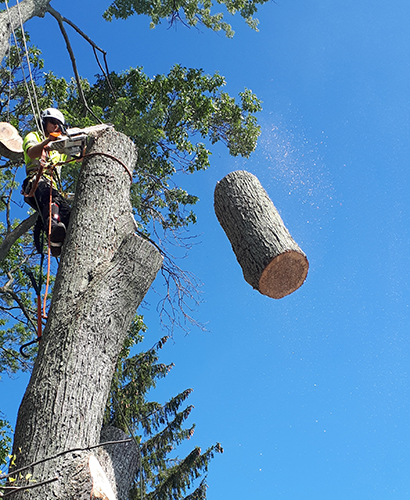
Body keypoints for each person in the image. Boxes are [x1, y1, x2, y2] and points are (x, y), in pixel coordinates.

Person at [22, 108, 71, 257]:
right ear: (44, 122)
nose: (56, 126)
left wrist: (80, 145)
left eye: (59, 125)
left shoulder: (58, 150)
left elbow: (75, 156)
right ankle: (53, 227)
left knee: (70, 216)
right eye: (53, 122)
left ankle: (58, 244)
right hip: (36, 183)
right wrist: (49, 141)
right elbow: (31, 152)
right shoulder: (34, 136)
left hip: (52, 189)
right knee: (52, 197)